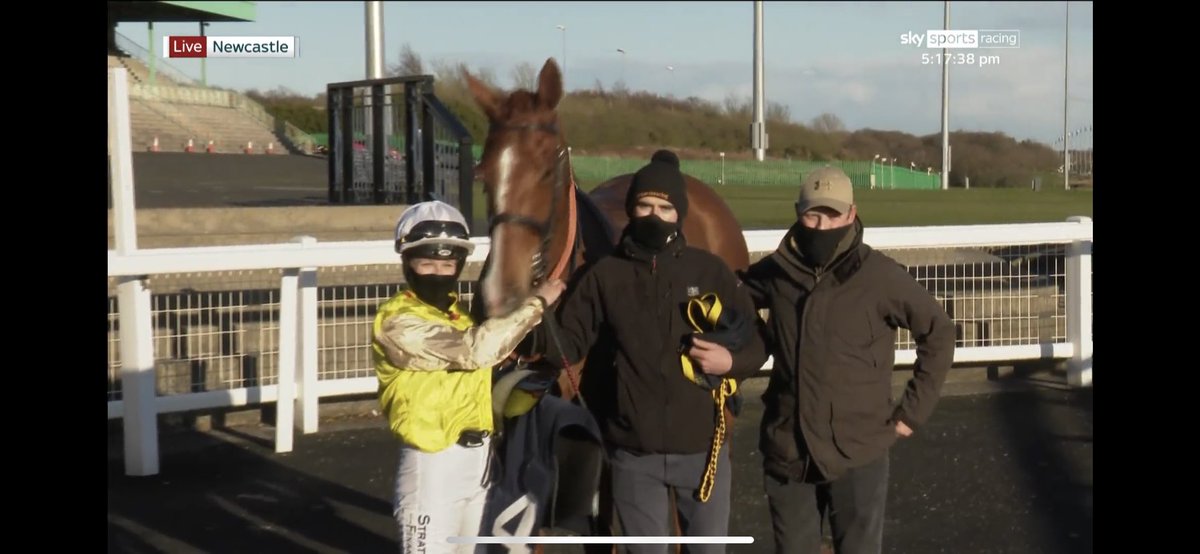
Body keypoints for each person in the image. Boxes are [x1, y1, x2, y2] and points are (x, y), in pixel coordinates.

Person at [540, 149, 769, 553]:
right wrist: (535, 313)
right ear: (631, 210)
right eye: (644, 205)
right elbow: (566, 344)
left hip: (704, 455)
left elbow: (757, 340)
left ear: (678, 213)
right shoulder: (604, 276)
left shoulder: (709, 270)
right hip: (633, 457)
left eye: (664, 207)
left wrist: (732, 362)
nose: (653, 215)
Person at [737, 167, 957, 554]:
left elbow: (938, 331)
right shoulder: (775, 273)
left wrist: (911, 413)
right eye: (812, 215)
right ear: (797, 212)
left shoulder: (880, 276)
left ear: (852, 214)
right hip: (788, 448)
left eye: (833, 215)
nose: (822, 225)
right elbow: (731, 300)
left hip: (858, 449)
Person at [372, 200, 566, 554]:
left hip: (477, 465)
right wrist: (537, 304)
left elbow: (484, 350)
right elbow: (476, 350)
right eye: (426, 262)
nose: (437, 272)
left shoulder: (460, 316)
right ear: (407, 262)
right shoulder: (397, 321)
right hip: (432, 467)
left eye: (447, 264)